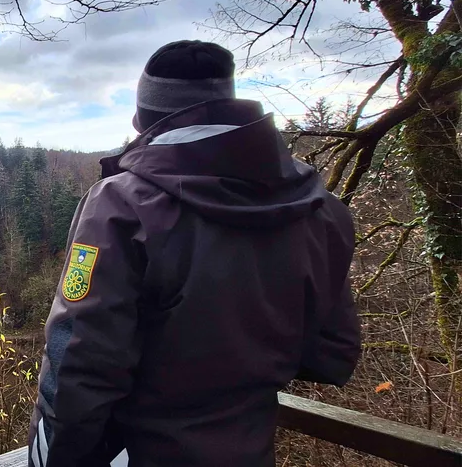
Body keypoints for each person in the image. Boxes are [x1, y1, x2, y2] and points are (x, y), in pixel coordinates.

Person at [26, 40, 361, 467]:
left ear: (145, 119)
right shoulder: (323, 211)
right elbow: (334, 353)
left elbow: (77, 364)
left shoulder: (122, 204)